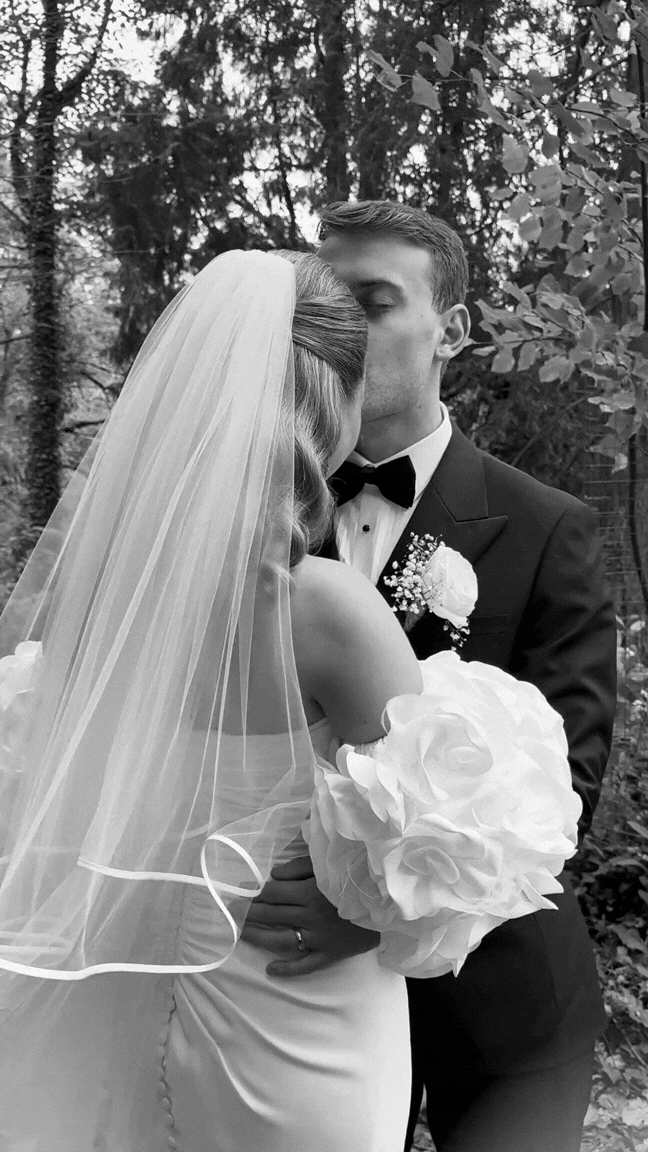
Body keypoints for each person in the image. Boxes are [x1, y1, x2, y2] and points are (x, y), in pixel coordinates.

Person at [242, 202, 617, 1152]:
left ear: (452, 328)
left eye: (371, 302)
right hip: (286, 1005)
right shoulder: (250, 536)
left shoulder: (547, 527)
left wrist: (366, 910)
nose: (338, 334)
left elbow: (562, 790)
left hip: (501, 1008)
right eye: (321, 308)